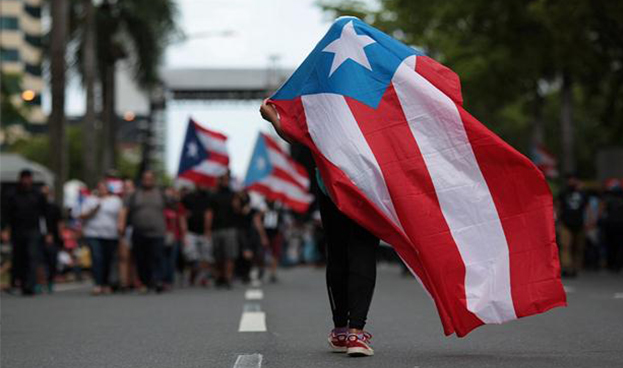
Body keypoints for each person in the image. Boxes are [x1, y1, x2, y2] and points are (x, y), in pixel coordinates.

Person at [260, 100, 377, 357]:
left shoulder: (322, 99)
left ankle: (341, 331)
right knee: (362, 249)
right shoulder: (370, 90)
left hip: (331, 187)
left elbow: (299, 137)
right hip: (365, 186)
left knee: (338, 253)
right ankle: (355, 333)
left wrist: (273, 118)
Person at [118, 171, 167, 293]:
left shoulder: (160, 193)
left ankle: (157, 281)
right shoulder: (134, 194)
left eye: (150, 179)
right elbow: (125, 209)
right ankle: (145, 282)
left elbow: (173, 205)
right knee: (141, 258)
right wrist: (121, 224)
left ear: (154, 180)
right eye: (145, 179)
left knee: (157, 257)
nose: (148, 181)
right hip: (139, 231)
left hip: (157, 232)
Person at [1, 170, 48, 296]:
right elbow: (5, 213)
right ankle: (19, 282)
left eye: (28, 178)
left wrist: (47, 232)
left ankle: (30, 285)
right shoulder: (12, 194)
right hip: (17, 230)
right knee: (19, 257)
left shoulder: (38, 194)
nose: (26, 181)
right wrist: (5, 229)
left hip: (33, 230)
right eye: (24, 178)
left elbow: (45, 213)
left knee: (32, 256)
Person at [81, 181, 123, 295]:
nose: (102, 190)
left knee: (108, 260)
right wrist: (94, 210)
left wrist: (120, 227)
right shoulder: (90, 200)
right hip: (93, 233)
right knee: (97, 258)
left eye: (104, 188)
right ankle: (97, 284)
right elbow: (82, 215)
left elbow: (121, 214)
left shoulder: (115, 200)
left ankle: (106, 283)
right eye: (100, 188)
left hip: (110, 235)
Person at [206, 172, 239, 288]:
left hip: (229, 228)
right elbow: (209, 213)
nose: (225, 182)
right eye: (223, 179)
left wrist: (237, 200)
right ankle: (220, 276)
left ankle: (228, 277)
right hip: (217, 229)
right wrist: (208, 230)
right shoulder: (213, 195)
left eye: (227, 179)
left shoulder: (233, 194)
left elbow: (237, 209)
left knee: (230, 255)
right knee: (218, 256)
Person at [180, 184, 213, 286]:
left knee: (206, 257)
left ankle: (203, 278)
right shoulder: (187, 197)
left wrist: (208, 230)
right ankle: (193, 275)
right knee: (192, 257)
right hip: (191, 232)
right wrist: (184, 231)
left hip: (204, 233)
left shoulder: (209, 197)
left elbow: (209, 214)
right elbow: (182, 214)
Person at [557, 175, 588, 278]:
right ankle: (567, 267)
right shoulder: (564, 193)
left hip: (580, 223)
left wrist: (590, 220)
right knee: (566, 246)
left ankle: (575, 267)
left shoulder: (583, 193)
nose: (571, 182)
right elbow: (558, 207)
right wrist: (557, 220)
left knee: (578, 247)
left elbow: (587, 208)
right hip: (566, 223)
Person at [41, 185, 64, 293]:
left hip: (53, 237)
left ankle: (50, 280)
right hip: (39, 237)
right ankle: (39, 282)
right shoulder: (38, 207)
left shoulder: (54, 207)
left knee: (52, 260)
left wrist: (59, 236)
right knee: (39, 260)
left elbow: (60, 223)